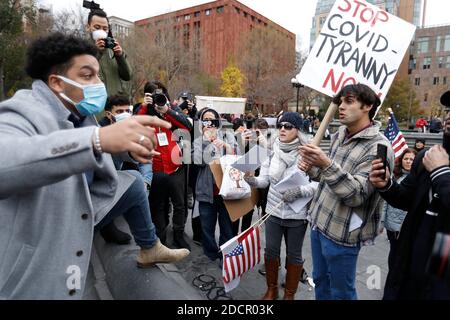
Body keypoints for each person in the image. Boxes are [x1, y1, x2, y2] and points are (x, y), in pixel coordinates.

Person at [0, 33, 189, 299]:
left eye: (99, 76)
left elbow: (98, 158)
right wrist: (97, 139)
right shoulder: (21, 110)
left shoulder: (82, 113)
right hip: (36, 256)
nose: (99, 84)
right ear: (56, 82)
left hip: (82, 207)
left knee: (134, 181)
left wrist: (129, 148)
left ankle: (150, 247)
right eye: (88, 76)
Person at [298, 83, 394, 300]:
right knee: (320, 280)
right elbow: (327, 179)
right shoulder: (340, 134)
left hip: (343, 235)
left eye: (349, 101)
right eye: (340, 101)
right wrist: (312, 167)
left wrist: (325, 164)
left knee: (341, 292)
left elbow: (356, 195)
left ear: (367, 106)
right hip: (318, 222)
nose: (341, 106)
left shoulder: (379, 148)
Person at [370, 114, 450, 300]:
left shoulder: (437, 165)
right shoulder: (428, 157)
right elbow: (406, 198)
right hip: (411, 255)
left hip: (442, 260)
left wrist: (441, 172)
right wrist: (387, 186)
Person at [245, 112, 317, 300]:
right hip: (273, 211)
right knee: (270, 251)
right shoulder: (273, 149)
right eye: (280, 126)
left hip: (297, 214)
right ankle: (272, 289)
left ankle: (289, 294)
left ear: (298, 130)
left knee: (294, 255)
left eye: (288, 126)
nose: (283, 129)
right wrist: (250, 179)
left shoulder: (309, 152)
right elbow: (265, 180)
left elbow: (319, 185)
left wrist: (300, 191)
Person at [134, 81, 193, 250]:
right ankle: (160, 238)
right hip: (156, 170)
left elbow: (188, 127)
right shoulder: (142, 111)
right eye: (153, 95)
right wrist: (145, 106)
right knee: (158, 205)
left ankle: (179, 235)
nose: (157, 98)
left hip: (176, 169)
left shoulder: (170, 112)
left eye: (160, 95)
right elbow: (135, 126)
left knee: (179, 204)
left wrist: (166, 110)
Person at [193, 108, 236, 262]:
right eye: (206, 120)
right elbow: (198, 161)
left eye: (212, 120)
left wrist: (225, 145)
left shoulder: (228, 136)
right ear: (201, 123)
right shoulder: (198, 140)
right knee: (207, 227)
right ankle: (211, 254)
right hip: (207, 191)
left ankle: (225, 256)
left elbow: (236, 158)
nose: (209, 124)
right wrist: (208, 142)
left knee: (226, 227)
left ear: (218, 122)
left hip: (226, 191)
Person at [381, 148, 416, 271]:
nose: (408, 161)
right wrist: (382, 222)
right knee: (395, 252)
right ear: (401, 161)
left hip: (408, 226)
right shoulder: (394, 177)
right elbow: (386, 202)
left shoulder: (418, 180)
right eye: (406, 159)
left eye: (412, 159)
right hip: (393, 225)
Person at [86, 8, 132, 97]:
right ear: (88, 27)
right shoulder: (82, 50)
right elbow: (84, 73)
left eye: (105, 28)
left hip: (115, 104)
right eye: (97, 27)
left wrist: (120, 56)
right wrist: (98, 52)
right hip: (97, 106)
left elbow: (128, 76)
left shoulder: (112, 49)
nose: (101, 31)